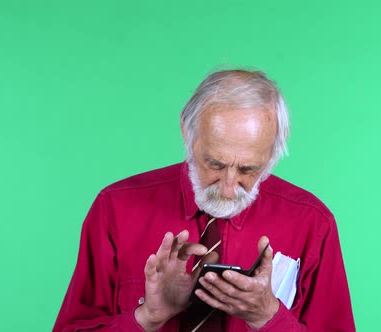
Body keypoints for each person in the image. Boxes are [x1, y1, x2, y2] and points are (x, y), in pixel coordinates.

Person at [53, 69, 355, 331]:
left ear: (273, 156)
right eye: (214, 164)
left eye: (248, 169)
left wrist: (268, 317)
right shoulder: (115, 208)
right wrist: (147, 317)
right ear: (187, 131)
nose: (227, 188)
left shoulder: (313, 223)